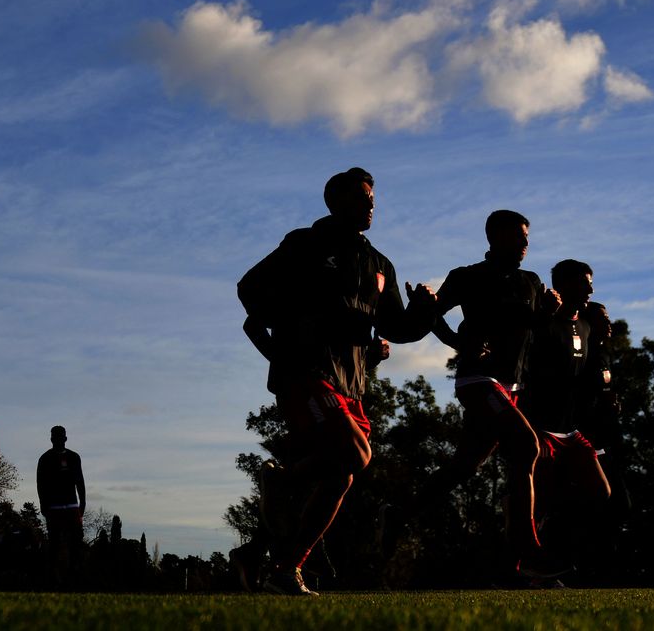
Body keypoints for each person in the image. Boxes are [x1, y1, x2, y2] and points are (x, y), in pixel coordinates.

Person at [234, 167, 437, 596]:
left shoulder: (380, 263)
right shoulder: (305, 244)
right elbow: (249, 288)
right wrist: (296, 326)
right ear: (335, 202)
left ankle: (284, 569)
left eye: (372, 198)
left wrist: (424, 312)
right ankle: (283, 481)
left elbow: (396, 327)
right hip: (306, 373)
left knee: (342, 475)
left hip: (353, 385)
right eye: (362, 197)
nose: (371, 204)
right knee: (355, 455)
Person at [425, 209, 569, 581]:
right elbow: (430, 314)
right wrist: (458, 342)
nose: (525, 243)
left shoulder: (531, 281)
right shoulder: (467, 277)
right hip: (478, 381)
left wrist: (552, 311)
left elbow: (536, 329)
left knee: (465, 467)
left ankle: (399, 513)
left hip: (514, 388)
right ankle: (528, 550)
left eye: (527, 237)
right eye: (519, 236)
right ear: (495, 237)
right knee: (526, 446)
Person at [519, 260, 612, 576]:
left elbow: (585, 379)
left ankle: (551, 556)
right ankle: (522, 565)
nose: (590, 289)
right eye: (583, 282)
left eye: (591, 282)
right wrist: (529, 426)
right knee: (537, 502)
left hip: (570, 431)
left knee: (601, 492)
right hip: (541, 429)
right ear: (563, 286)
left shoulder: (585, 326)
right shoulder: (542, 325)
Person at [36, 425, 85, 589]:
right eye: (54, 436)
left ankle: (73, 580)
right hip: (54, 508)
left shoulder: (74, 457)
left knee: (75, 544)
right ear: (51, 439)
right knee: (55, 544)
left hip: (71, 506)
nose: (57, 439)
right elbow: (40, 484)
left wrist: (82, 504)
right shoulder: (45, 458)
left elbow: (80, 481)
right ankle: (51, 581)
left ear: (65, 438)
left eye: (60, 436)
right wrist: (44, 505)